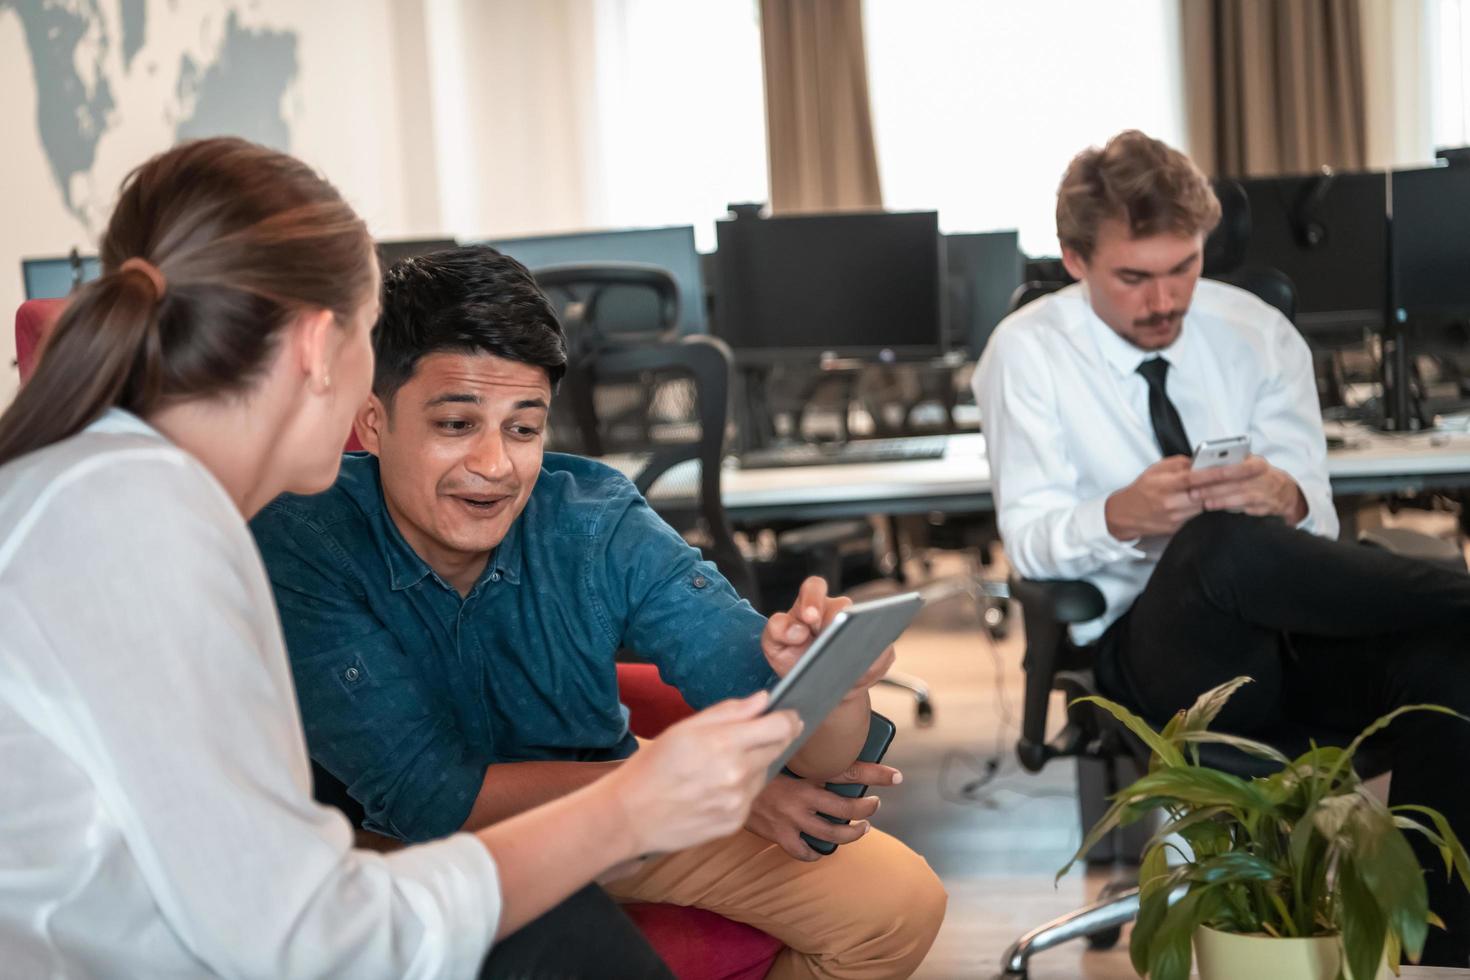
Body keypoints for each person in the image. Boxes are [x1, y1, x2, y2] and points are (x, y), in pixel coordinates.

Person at [0, 137, 802, 979]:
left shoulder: (109, 494)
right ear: (320, 347)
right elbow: (318, 940)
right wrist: (626, 807)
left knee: (557, 934)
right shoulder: (143, 540)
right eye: (369, 338)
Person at [249, 245, 947, 980]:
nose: (495, 465)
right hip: (402, 846)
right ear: (373, 422)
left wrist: (834, 678)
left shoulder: (593, 516)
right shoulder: (304, 536)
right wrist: (710, 796)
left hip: (621, 802)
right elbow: (430, 800)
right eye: (456, 425)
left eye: (523, 429)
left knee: (898, 907)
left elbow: (807, 752)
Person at [974, 128, 1470, 965]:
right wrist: (1121, 514)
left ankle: (1443, 959)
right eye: (1135, 276)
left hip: (1292, 640)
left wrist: (1289, 495)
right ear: (1073, 259)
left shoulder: (1256, 329)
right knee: (1214, 546)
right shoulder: (1025, 355)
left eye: (1185, 268)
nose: (1165, 299)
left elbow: (1314, 534)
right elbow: (1030, 546)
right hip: (1151, 655)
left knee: (1455, 660)